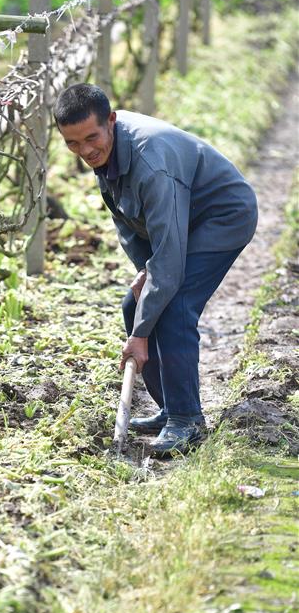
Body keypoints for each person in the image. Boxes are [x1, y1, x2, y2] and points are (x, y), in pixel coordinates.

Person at [53, 83, 258, 457]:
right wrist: (144, 273)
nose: (84, 151)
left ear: (111, 121)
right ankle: (170, 409)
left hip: (222, 215)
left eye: (91, 138)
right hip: (182, 221)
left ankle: (188, 421)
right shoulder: (107, 150)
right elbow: (128, 222)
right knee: (135, 306)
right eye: (72, 143)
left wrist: (141, 335)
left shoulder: (151, 163)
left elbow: (170, 253)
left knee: (175, 306)